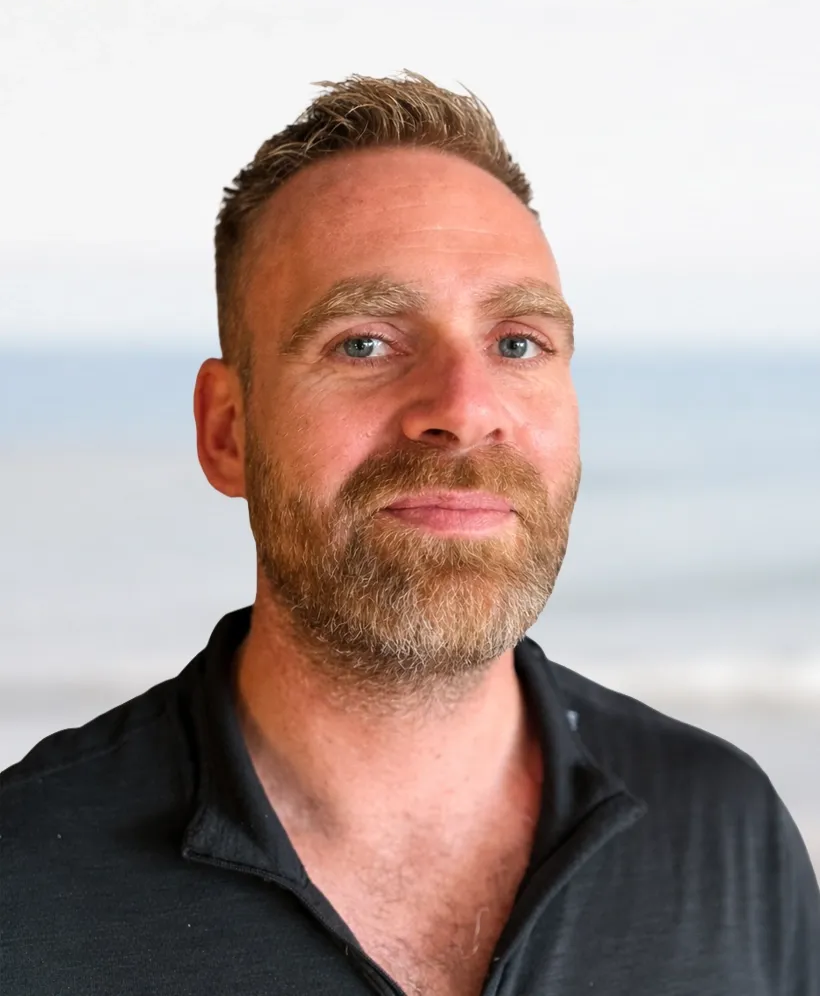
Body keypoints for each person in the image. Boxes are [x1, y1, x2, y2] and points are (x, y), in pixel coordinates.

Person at [1, 72, 817, 996]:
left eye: (517, 343)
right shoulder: (24, 889)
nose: (465, 412)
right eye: (364, 343)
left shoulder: (726, 834)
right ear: (227, 430)